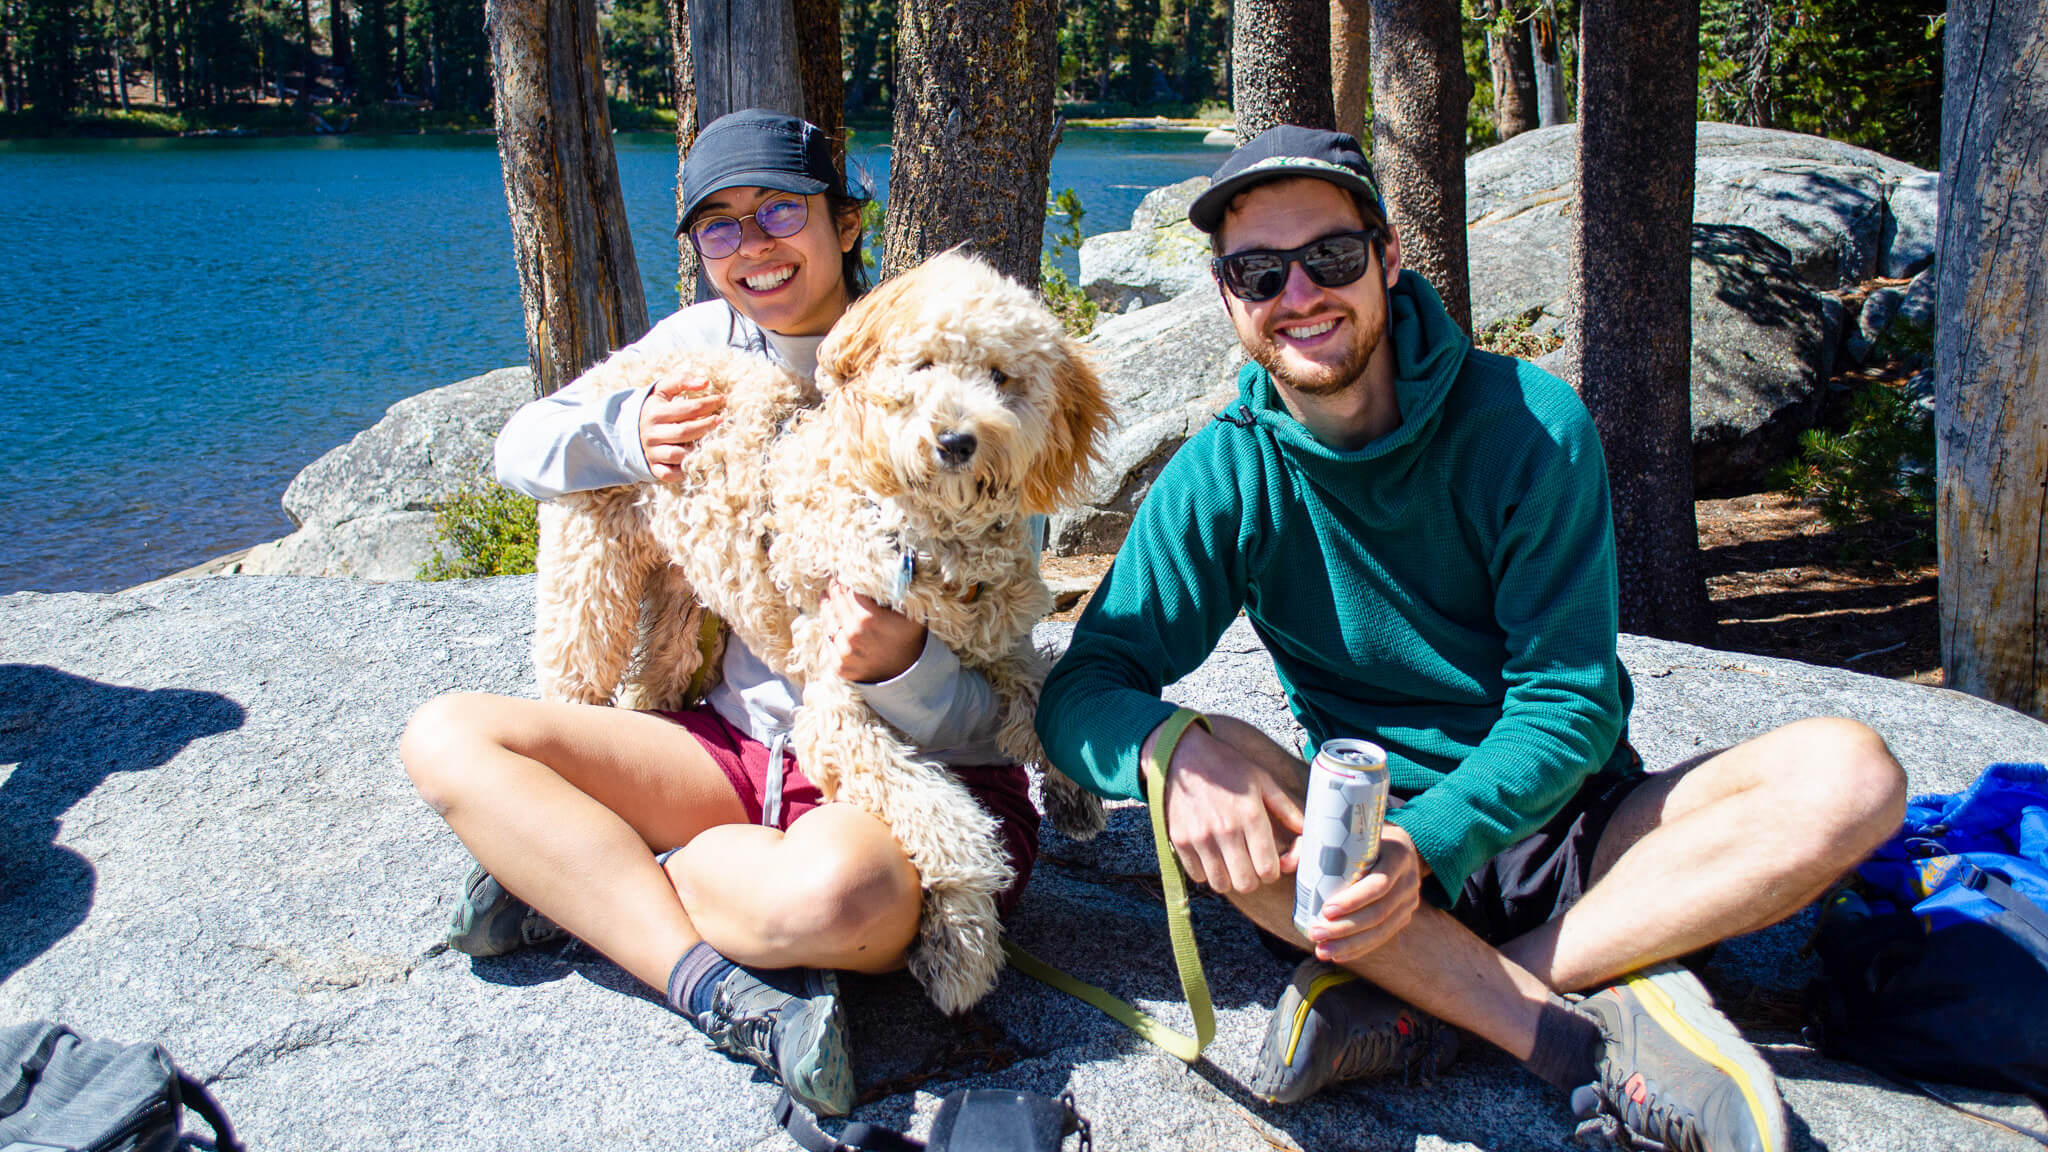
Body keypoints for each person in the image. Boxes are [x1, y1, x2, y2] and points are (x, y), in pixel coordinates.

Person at [1034, 125, 1907, 1152]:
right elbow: (1081, 687)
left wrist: (1435, 842)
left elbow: (1568, 704)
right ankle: (1562, 1035)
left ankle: (1453, 994)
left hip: (1570, 828)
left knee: (1849, 773)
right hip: (1357, 851)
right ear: (1227, 297)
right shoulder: (1224, 474)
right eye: (1257, 272)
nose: (1298, 294)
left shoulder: (1527, 421)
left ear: (1387, 256)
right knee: (1211, 751)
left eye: (1329, 257)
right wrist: (1164, 754)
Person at [400, 109, 1040, 1118]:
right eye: (719, 226)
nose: (754, 246)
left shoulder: (942, 368)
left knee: (844, 901)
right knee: (447, 738)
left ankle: (582, 880)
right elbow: (520, 447)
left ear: (845, 223)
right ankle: (710, 980)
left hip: (900, 782)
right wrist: (626, 428)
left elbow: (998, 697)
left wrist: (901, 664)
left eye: (781, 209)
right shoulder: (704, 342)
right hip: (730, 751)